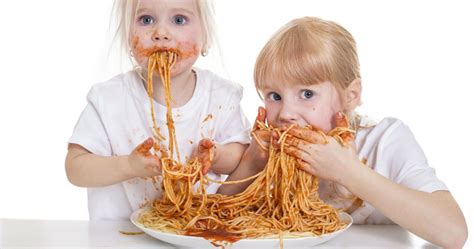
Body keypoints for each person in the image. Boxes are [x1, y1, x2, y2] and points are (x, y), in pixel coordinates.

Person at [218, 17, 467, 248]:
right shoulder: (267, 151)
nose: (285, 113)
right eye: (275, 96)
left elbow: (453, 233)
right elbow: (214, 221)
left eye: (307, 94)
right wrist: (250, 164)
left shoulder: (385, 140)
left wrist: (348, 172)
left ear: (351, 95)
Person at [65, 0, 250, 220]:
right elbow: (75, 168)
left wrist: (216, 155)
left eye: (179, 20)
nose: (161, 33)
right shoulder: (109, 99)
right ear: (126, 36)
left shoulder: (221, 96)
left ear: (206, 35)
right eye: (146, 20)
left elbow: (242, 157)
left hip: (196, 232)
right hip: (118, 238)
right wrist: (128, 166)